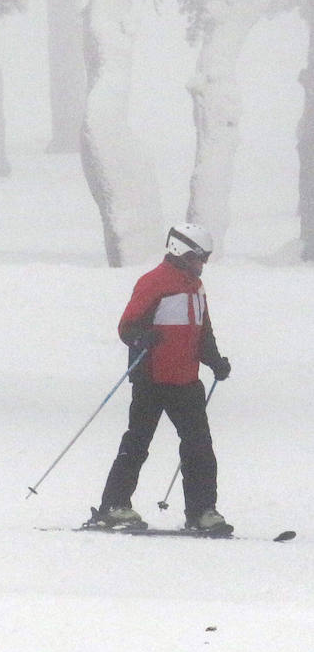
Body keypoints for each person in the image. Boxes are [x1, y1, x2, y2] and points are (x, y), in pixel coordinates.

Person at [89, 223, 232, 533]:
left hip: (186, 382)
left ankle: (202, 512)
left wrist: (215, 361)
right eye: (198, 257)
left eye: (205, 258)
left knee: (199, 448)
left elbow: (202, 332)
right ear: (180, 251)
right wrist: (143, 338)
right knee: (137, 444)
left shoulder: (196, 287)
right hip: (151, 381)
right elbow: (127, 328)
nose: (202, 264)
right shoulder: (154, 282)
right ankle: (113, 506)